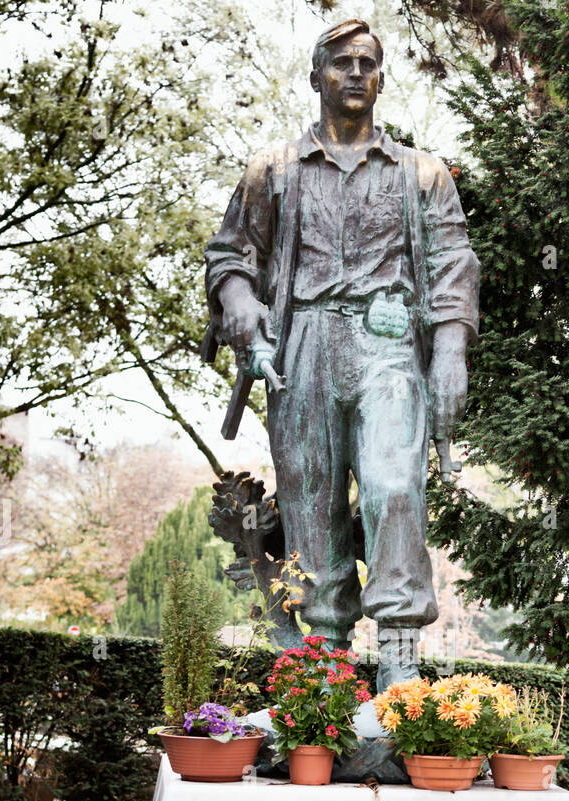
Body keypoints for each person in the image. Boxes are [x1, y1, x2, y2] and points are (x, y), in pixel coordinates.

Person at [205, 18, 480, 689]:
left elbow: (452, 267)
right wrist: (240, 303)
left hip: (388, 344)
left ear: (381, 78)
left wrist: (450, 352)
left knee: (393, 487)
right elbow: (230, 254)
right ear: (317, 76)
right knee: (311, 499)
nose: (356, 73)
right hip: (304, 347)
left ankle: (400, 669)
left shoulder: (423, 174)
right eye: (342, 63)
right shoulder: (273, 170)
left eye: (369, 63)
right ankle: (324, 673)